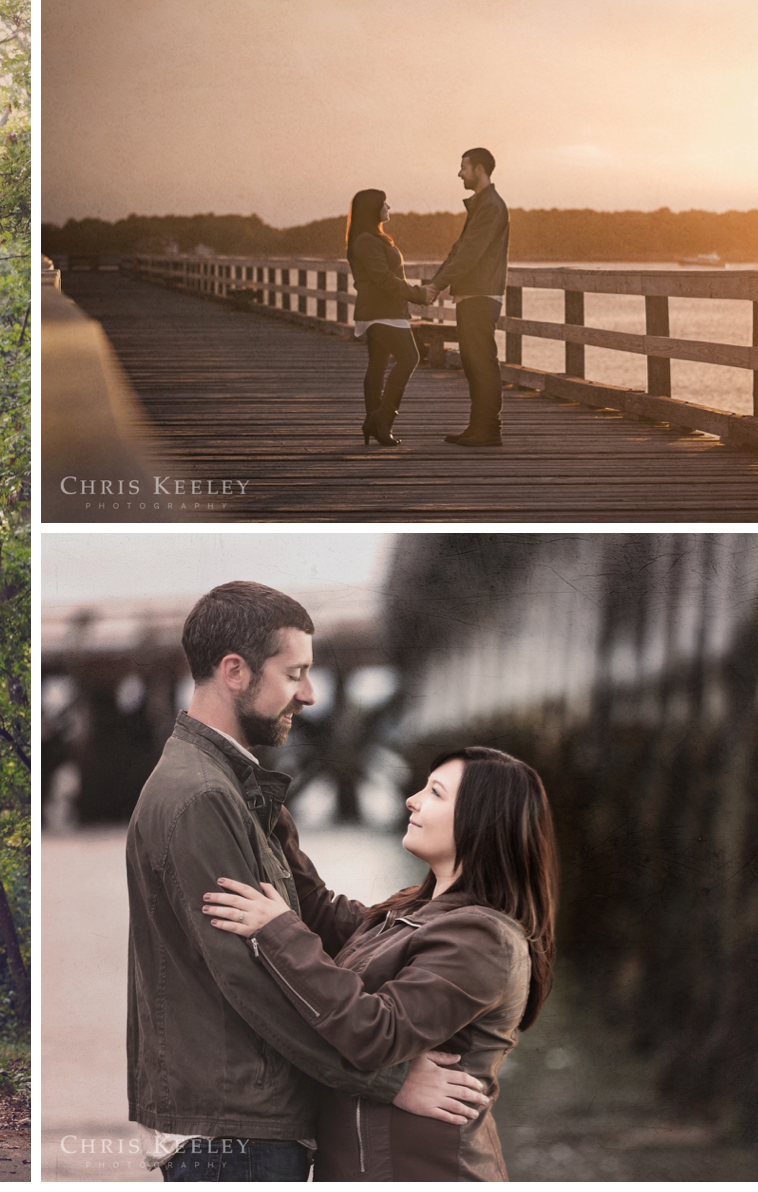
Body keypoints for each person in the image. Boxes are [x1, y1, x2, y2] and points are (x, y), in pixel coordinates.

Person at [127, 581, 494, 1181]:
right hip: (235, 1131)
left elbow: (311, 911)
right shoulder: (201, 797)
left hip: (246, 1117)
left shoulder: (230, 784)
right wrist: (392, 1080)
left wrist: (444, 926)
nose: (312, 694)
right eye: (295, 674)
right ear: (235, 671)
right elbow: (250, 979)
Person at [202, 746, 559, 1180]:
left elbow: (377, 1033)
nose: (412, 800)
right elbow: (318, 912)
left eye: (435, 793)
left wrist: (277, 931)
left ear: (480, 820)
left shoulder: (483, 939)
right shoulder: (414, 911)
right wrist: (265, 805)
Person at [425, 148, 511, 447]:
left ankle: (490, 429)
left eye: (464, 167)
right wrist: (436, 283)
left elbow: (470, 253)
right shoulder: (482, 205)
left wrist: (436, 286)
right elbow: (459, 250)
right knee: (473, 362)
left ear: (479, 169)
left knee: (482, 362)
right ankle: (478, 427)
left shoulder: (491, 206)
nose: (459, 173)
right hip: (472, 292)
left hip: (481, 292)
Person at [346, 188, 438, 446]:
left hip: (383, 310)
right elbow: (384, 279)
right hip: (381, 311)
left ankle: (373, 421)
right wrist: (419, 294)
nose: (388, 207)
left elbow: (386, 278)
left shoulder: (370, 239)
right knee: (410, 358)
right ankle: (383, 418)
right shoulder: (366, 241)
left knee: (378, 365)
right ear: (371, 209)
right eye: (384, 203)